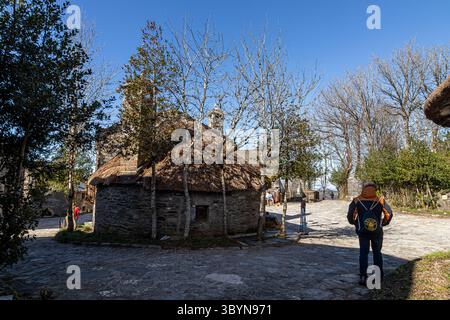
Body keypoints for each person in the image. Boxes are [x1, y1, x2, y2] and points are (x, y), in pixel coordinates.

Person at [347, 183, 393, 286]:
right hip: (377, 231)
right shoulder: (380, 200)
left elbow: (350, 215)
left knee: (363, 253)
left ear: (363, 190)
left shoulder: (356, 200)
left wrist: (355, 223)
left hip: (363, 231)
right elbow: (389, 214)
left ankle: (363, 277)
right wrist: (383, 223)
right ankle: (378, 277)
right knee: (377, 253)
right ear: (375, 190)